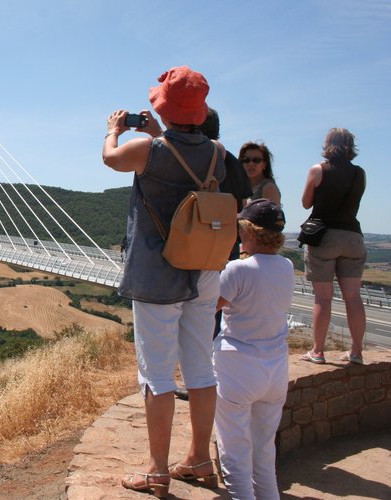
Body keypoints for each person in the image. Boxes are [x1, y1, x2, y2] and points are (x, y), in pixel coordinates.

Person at [102, 66, 224, 498]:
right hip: (204, 269)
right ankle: (200, 458)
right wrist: (162, 134)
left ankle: (157, 470)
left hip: (158, 272)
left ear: (163, 108)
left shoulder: (146, 150)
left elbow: (110, 158)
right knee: (200, 367)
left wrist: (113, 130)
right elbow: (183, 158)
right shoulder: (218, 153)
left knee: (157, 374)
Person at [214, 199, 293, 500]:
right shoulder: (286, 267)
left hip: (238, 367)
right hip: (275, 370)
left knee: (234, 453)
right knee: (263, 452)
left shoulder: (237, 270)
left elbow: (211, 305)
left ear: (249, 230)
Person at [174, 108, 253, 402]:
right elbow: (241, 205)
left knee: (194, 313)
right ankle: (212, 376)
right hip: (226, 243)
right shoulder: (231, 160)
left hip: (196, 246)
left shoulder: (195, 158)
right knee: (213, 312)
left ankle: (200, 380)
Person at [300, 128, 367, 365]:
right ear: (350, 145)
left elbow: (306, 202)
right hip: (353, 237)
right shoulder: (360, 174)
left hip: (325, 236)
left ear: (328, 144)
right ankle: (357, 351)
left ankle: (317, 351)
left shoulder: (318, 170)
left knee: (323, 298)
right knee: (353, 297)